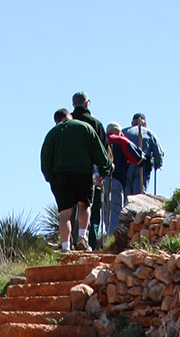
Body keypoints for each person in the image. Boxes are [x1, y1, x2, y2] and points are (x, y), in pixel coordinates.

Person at [40, 106, 111, 252]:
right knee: (85, 205)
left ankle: (66, 247)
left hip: (61, 176)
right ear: (70, 116)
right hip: (83, 173)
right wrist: (104, 170)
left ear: (56, 121)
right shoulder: (85, 127)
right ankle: (82, 237)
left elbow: (45, 159)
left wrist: (50, 178)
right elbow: (99, 151)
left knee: (65, 213)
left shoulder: (52, 133)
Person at [71, 92, 109, 248]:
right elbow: (104, 150)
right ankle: (89, 242)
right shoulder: (95, 123)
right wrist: (103, 172)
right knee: (90, 207)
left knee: (69, 208)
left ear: (73, 104)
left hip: (67, 171)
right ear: (87, 104)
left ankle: (70, 243)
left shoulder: (67, 122)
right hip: (91, 171)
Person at [103, 123, 143, 236]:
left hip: (101, 181)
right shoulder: (121, 140)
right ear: (119, 132)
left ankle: (107, 236)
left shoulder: (101, 141)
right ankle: (113, 238)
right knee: (116, 211)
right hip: (116, 180)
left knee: (106, 211)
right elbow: (139, 158)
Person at [123, 113, 164, 194]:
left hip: (126, 166)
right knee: (139, 194)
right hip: (142, 166)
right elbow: (158, 154)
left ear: (132, 123)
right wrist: (157, 164)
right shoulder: (149, 134)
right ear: (144, 123)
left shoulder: (123, 132)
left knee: (127, 195)